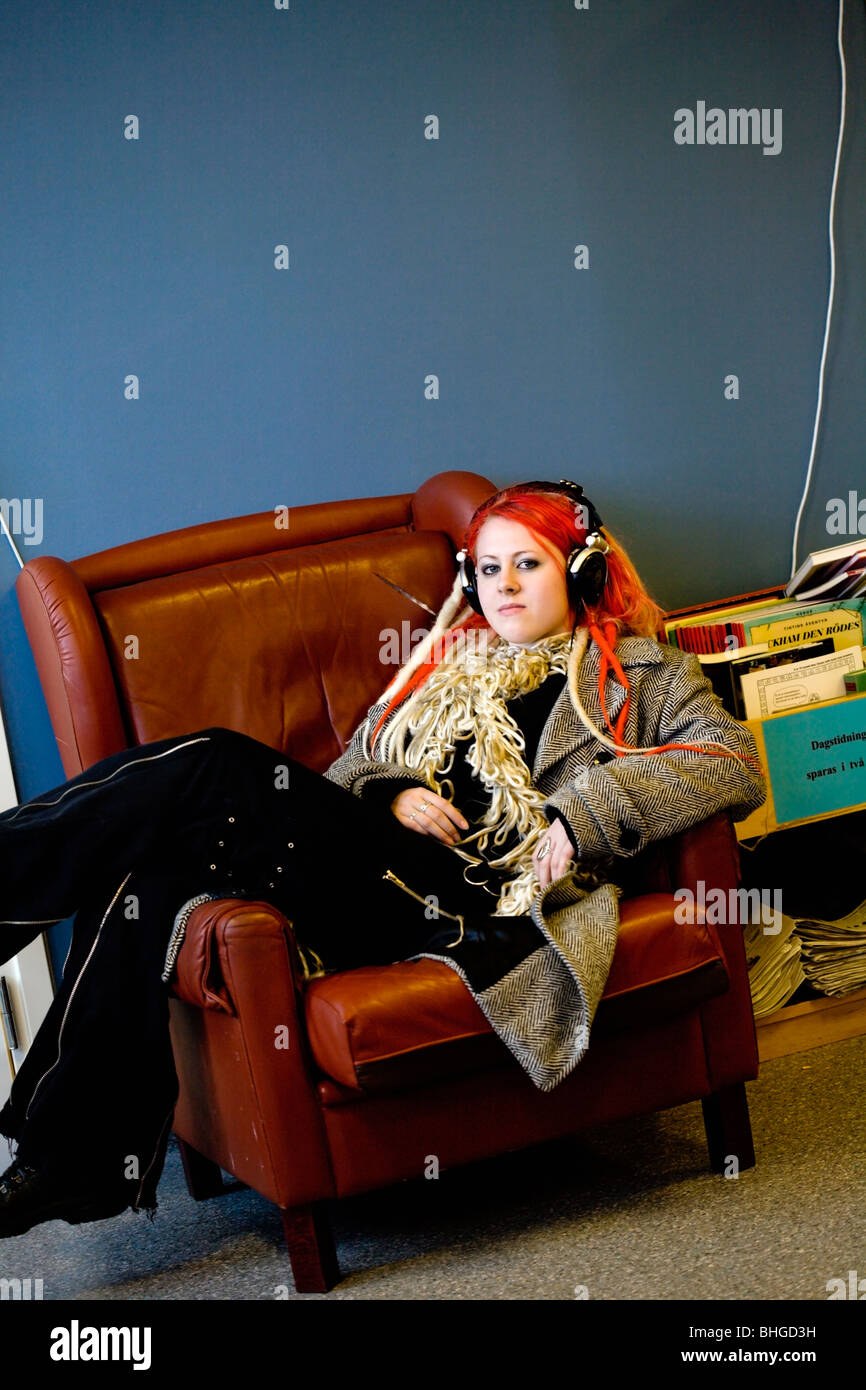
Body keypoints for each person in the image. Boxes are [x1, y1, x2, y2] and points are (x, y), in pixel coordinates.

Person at [0, 479, 766, 1238]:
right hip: (383, 878)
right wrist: (390, 792)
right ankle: (54, 1162)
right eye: (488, 569)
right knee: (152, 881)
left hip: (478, 901)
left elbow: (732, 760)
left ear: (580, 571)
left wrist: (582, 814)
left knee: (217, 760)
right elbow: (344, 780)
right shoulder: (440, 673)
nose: (503, 586)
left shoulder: (639, 674)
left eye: (527, 565)